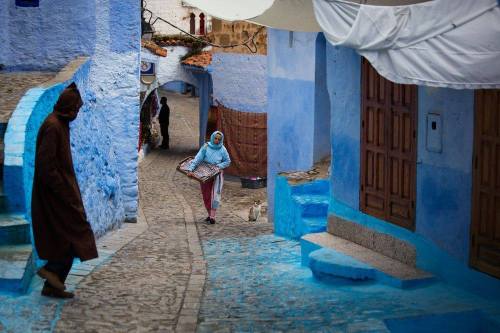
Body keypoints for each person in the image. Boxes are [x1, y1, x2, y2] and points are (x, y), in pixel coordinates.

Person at [31, 82, 98, 299]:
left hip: (62, 193)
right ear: (67, 106)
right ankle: (51, 271)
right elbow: (46, 167)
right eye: (75, 109)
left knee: (68, 236)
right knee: (73, 234)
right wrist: (64, 192)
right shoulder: (53, 126)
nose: (76, 113)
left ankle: (53, 285)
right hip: (55, 196)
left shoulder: (60, 124)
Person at [187, 131, 231, 224]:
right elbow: (198, 158)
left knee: (215, 194)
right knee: (206, 194)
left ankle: (212, 216)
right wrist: (190, 169)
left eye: (219, 139)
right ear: (212, 137)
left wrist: (218, 166)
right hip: (205, 174)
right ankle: (209, 213)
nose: (217, 140)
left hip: (217, 175)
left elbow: (227, 161)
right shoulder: (206, 146)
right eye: (215, 138)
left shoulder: (223, 149)